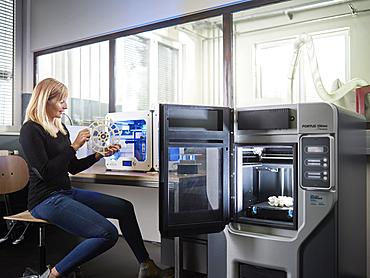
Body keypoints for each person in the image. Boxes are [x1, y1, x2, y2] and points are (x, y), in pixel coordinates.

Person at [19, 78, 173, 278]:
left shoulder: (60, 128)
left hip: (65, 193)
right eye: (61, 101)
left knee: (124, 208)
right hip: (45, 200)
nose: (66, 106)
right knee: (107, 233)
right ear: (45, 100)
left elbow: (72, 168)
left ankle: (147, 267)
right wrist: (73, 146)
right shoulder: (30, 130)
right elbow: (46, 172)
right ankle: (51, 276)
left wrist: (100, 154)